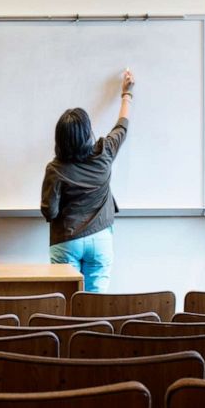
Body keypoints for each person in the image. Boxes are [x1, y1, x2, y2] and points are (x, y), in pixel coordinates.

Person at [41, 69, 134, 293]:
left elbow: (49, 212)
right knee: (94, 307)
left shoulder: (55, 169)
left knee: (68, 304)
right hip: (100, 239)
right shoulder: (105, 152)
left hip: (66, 240)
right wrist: (126, 95)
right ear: (87, 133)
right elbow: (122, 126)